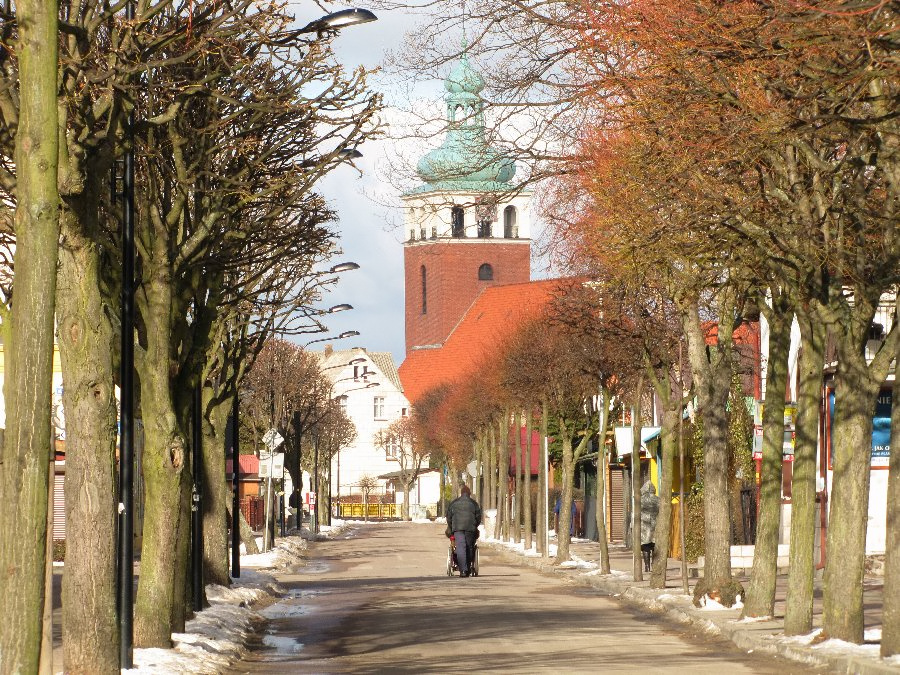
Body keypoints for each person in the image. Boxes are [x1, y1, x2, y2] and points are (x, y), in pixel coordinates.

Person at [446, 484, 482, 577]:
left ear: (461, 494)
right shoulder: (474, 504)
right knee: (469, 547)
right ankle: (468, 567)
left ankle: (463, 570)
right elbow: (478, 517)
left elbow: (449, 517)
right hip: (470, 529)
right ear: (469, 494)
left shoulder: (454, 503)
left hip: (457, 528)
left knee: (460, 547)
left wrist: (451, 527)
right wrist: (475, 526)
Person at [640, 481, 660, 572]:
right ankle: (654, 565)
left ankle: (647, 567)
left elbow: (636, 513)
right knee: (655, 545)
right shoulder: (658, 499)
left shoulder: (640, 499)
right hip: (656, 524)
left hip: (644, 525)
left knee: (645, 546)